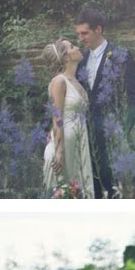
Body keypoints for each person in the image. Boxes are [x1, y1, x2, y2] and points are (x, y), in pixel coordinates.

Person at [74, 16, 135, 198]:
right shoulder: (81, 60)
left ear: (98, 29)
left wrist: (123, 127)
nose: (80, 38)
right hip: (85, 137)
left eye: (84, 33)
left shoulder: (120, 55)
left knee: (112, 188)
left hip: (110, 135)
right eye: (78, 34)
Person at [41, 37, 94, 199]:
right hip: (65, 142)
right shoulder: (59, 81)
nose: (77, 47)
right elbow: (56, 116)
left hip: (79, 139)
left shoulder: (77, 82)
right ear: (65, 58)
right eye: (72, 47)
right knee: (63, 192)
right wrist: (59, 150)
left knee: (78, 192)